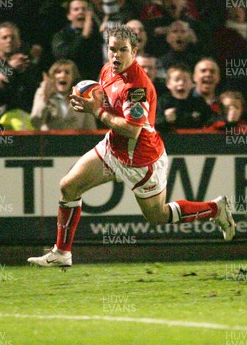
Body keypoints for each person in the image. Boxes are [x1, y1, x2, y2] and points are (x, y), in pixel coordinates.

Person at [28, 26, 236, 267]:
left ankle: (215, 209)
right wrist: (89, 100)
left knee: (158, 216)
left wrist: (95, 110)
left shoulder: (137, 88)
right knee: (68, 186)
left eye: (122, 50)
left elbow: (131, 129)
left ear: (134, 51)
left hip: (141, 159)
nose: (115, 55)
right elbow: (107, 102)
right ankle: (62, 253)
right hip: (113, 148)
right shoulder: (107, 70)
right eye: (112, 49)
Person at [30, 59, 96, 131]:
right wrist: (45, 98)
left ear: (73, 78)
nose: (63, 75)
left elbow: (90, 128)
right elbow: (35, 123)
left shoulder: (82, 96)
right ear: (52, 77)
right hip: (49, 140)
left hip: (76, 141)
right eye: (58, 72)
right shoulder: (42, 92)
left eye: (67, 72)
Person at [51, 0, 104, 80]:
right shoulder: (61, 35)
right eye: (76, 9)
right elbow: (65, 57)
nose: (81, 12)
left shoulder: (97, 34)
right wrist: (84, 36)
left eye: (84, 9)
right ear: (69, 15)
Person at [156, 63, 213, 131]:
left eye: (185, 80)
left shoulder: (199, 102)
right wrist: (165, 119)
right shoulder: (162, 102)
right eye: (177, 80)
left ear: (191, 83)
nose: (181, 83)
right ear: (168, 84)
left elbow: (211, 121)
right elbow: (154, 124)